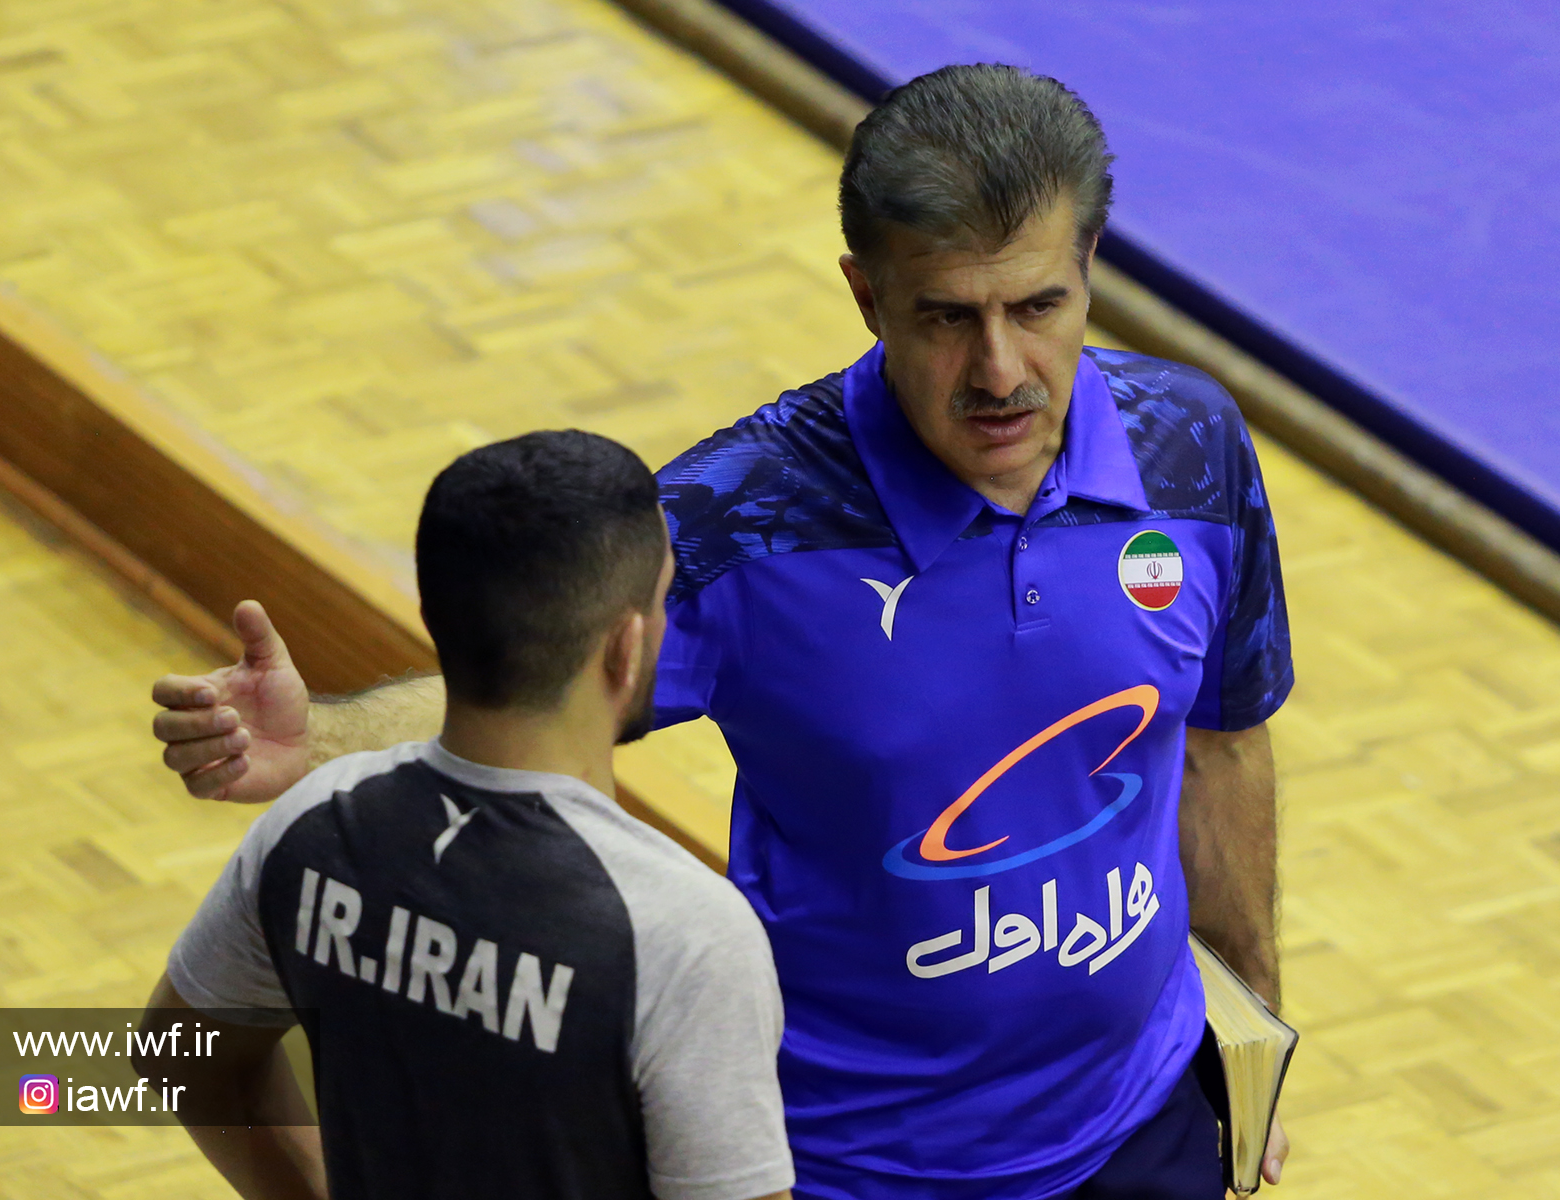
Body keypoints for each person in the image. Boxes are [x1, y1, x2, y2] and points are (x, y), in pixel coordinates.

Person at [150, 65, 1292, 1200]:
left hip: (1142, 1132)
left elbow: (1224, 742)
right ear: (867, 294)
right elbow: (532, 685)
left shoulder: (1190, 448)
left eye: (1036, 307)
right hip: (845, 1173)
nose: (1000, 371)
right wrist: (318, 744)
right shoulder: (740, 518)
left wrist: (1257, 1032)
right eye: (948, 317)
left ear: (1089, 266)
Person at [136, 432, 794, 1200]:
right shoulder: (687, 935)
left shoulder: (310, 826)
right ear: (627, 645)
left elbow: (182, 1057)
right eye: (661, 601)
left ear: (435, 615)